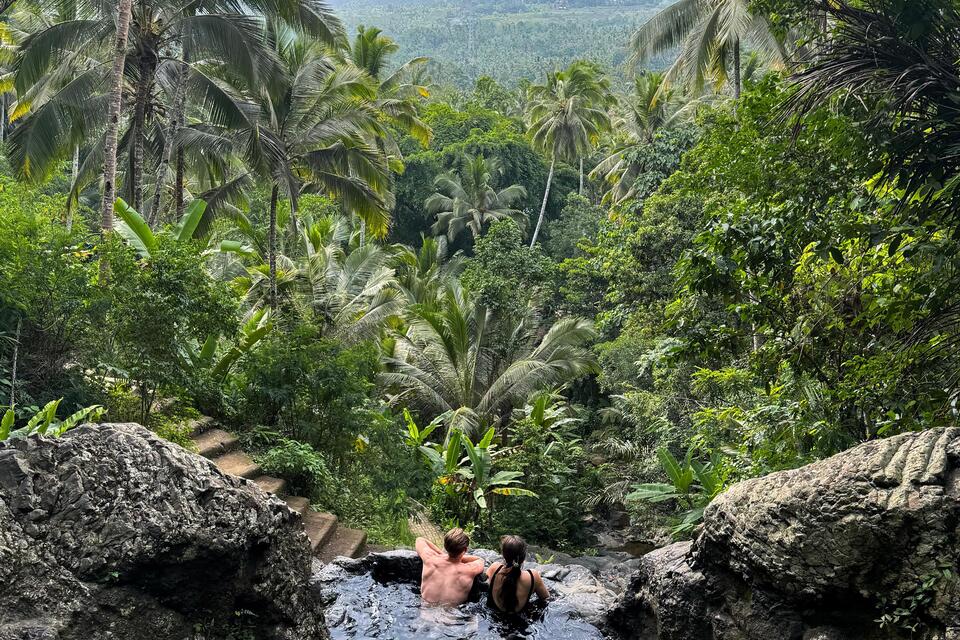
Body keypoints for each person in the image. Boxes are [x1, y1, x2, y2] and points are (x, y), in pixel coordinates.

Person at [416, 528, 485, 606]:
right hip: (450, 616)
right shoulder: (470, 570)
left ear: (445, 546)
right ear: (465, 549)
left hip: (424, 612)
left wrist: (442, 555)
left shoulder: (430, 559)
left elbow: (420, 540)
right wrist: (458, 557)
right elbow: (480, 560)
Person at [486, 535, 549, 613]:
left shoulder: (495, 568)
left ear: (503, 554)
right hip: (519, 622)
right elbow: (546, 598)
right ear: (524, 556)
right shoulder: (533, 576)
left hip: (492, 617)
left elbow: (486, 582)